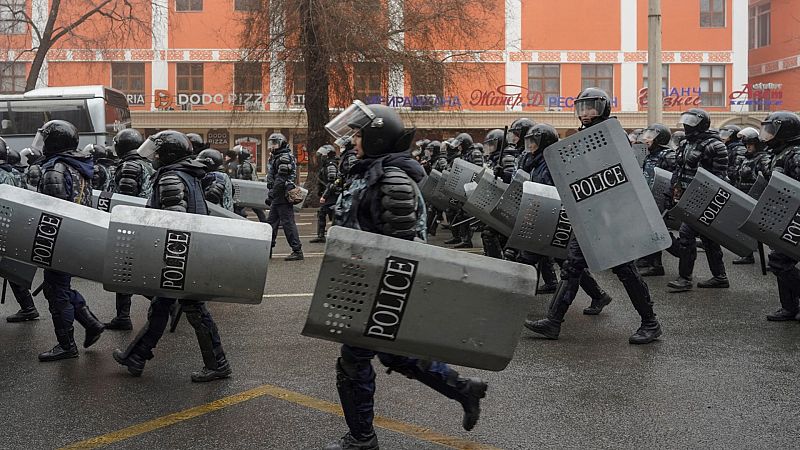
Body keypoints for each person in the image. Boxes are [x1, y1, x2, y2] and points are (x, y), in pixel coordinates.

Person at [322, 100, 487, 450]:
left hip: (378, 287)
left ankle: (362, 439)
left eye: (359, 135)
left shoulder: (392, 179)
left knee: (353, 364)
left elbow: (400, 249)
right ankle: (464, 390)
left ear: (378, 139)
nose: (353, 141)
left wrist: (380, 294)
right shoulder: (373, 170)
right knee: (393, 355)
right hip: (367, 283)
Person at [524, 88, 662, 344]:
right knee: (572, 267)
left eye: (591, 107)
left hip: (612, 216)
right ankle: (553, 322)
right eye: (582, 108)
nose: (586, 113)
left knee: (625, 269)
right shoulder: (581, 138)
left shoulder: (613, 133)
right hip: (589, 216)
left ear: (603, 108)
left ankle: (651, 323)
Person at [112, 130, 232, 382]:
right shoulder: (187, 173)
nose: (153, 156)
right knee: (160, 306)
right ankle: (136, 356)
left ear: (168, 154)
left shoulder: (171, 177)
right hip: (188, 253)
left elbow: (173, 222)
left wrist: (167, 259)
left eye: (157, 151)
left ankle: (218, 364)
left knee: (195, 310)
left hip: (179, 256)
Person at [33, 120, 106, 361]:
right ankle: (91, 323)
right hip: (76, 236)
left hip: (60, 239)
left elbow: (53, 210)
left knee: (56, 292)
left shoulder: (56, 169)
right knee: (59, 288)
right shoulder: (79, 165)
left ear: (54, 141)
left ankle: (66, 345)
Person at [665, 108, 730, 292]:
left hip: (705, 198)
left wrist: (710, 200)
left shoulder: (715, 146)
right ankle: (720, 276)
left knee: (686, 235)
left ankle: (685, 278)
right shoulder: (685, 143)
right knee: (709, 238)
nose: (686, 125)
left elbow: (720, 177)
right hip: (687, 195)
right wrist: (673, 190)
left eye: (691, 122)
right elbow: (679, 170)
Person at [105, 128, 155, 331]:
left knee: (128, 271)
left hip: (131, 225)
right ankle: (122, 316)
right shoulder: (145, 164)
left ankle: (165, 301)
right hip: (144, 223)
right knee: (125, 271)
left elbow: (125, 200)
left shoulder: (130, 166)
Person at [758, 111, 800, 321]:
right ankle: (789, 307)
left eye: (772, 129)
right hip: (782, 215)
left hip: (795, 217)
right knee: (780, 258)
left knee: (779, 261)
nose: (767, 134)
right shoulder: (779, 152)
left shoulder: (796, 154)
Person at [0, 138, 40, 323]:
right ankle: (28, 307)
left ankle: (28, 308)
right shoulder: (15, 173)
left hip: (3, 226)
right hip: (13, 227)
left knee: (10, 268)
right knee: (11, 268)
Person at [636, 123, 677, 277]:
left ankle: (659, 263)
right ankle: (649, 261)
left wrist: (670, 198)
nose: (646, 141)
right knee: (650, 230)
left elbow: (673, 178)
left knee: (657, 231)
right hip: (649, 197)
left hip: (661, 199)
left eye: (650, 138)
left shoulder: (668, 155)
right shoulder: (650, 155)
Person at [729, 127, 770, 265]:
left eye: (750, 144)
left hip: (757, 197)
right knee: (745, 227)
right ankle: (747, 254)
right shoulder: (746, 158)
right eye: (746, 145)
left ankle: (778, 256)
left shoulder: (763, 158)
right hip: (744, 195)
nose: (748, 147)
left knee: (765, 229)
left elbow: (767, 178)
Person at [265, 133, 304, 261]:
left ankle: (297, 250)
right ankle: (267, 249)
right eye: (271, 143)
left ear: (281, 143)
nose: (273, 146)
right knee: (271, 224)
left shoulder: (284, 157)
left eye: (275, 143)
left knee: (287, 223)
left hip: (283, 195)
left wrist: (272, 194)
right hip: (278, 196)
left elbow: (281, 179)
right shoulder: (277, 156)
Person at [312, 145, 339, 243]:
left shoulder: (331, 166)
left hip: (332, 196)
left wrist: (324, 196)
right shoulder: (327, 165)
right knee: (323, 213)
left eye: (322, 155)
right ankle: (322, 235)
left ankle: (331, 235)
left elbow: (332, 183)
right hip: (330, 196)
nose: (321, 157)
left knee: (329, 214)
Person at [234, 145, 268, 222]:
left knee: (239, 206)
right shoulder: (246, 163)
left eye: (238, 155)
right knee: (256, 208)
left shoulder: (245, 165)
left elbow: (246, 177)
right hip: (249, 190)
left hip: (247, 190)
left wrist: (238, 182)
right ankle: (264, 221)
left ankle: (241, 219)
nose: (237, 157)